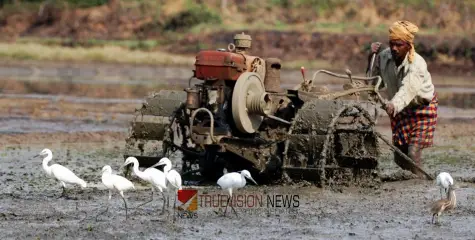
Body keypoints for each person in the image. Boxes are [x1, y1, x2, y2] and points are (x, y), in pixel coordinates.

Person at [366, 20, 438, 175]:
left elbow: (408, 90)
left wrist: (393, 105)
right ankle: (409, 178)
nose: (394, 48)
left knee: (412, 152)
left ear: (408, 45)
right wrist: (371, 57)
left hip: (421, 109)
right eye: (392, 44)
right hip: (400, 109)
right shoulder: (384, 57)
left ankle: (419, 181)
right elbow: (373, 84)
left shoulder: (417, 64)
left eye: (399, 44)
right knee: (399, 157)